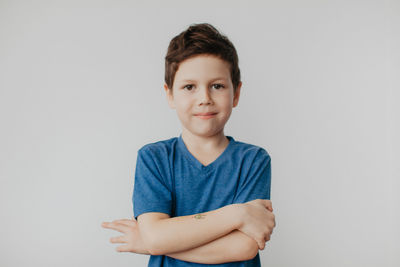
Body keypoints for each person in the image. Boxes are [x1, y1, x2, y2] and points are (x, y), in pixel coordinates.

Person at [102, 22, 276, 266]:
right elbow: (156, 235)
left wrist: (155, 244)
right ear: (170, 94)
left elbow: (244, 246)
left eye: (217, 86)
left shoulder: (253, 160)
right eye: (189, 87)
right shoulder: (154, 158)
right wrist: (237, 214)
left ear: (236, 93)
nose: (204, 98)